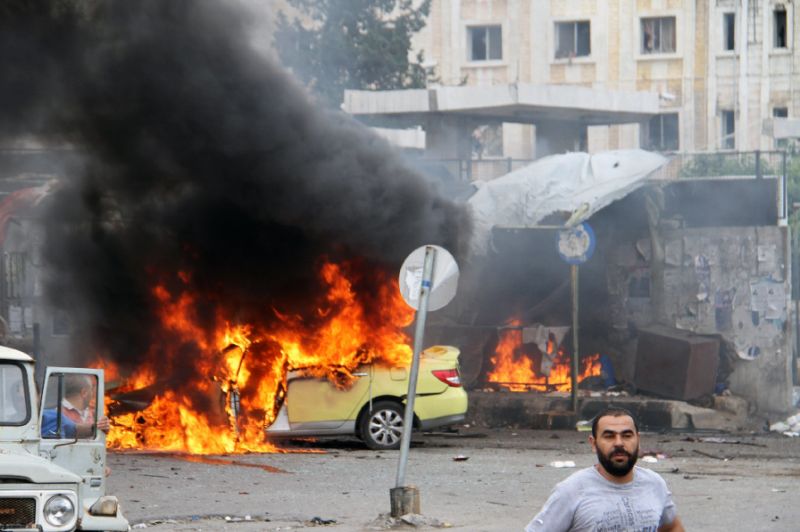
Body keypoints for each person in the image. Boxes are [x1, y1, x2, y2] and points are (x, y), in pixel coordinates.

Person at [525, 407, 684, 532]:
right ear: (593, 443)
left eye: (627, 435)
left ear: (638, 440)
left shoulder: (654, 484)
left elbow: (671, 527)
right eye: (609, 436)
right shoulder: (571, 491)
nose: (619, 443)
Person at [42, 374, 109, 438]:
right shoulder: (57, 415)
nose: (93, 394)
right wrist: (95, 428)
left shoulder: (91, 412)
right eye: (91, 390)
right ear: (84, 392)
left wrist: (103, 428)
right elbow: (71, 431)